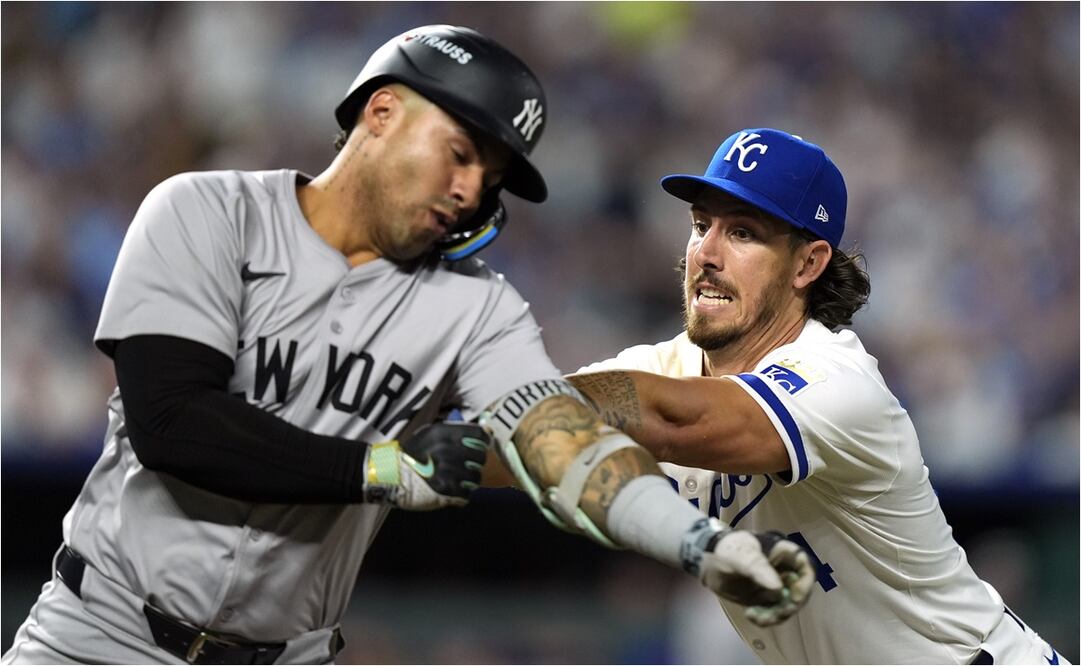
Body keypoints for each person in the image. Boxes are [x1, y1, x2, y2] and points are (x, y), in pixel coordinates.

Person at [2, 28, 815, 665]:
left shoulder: (476, 310)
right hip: (96, 635)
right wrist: (381, 469)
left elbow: (564, 447)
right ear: (380, 114)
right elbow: (173, 422)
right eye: (460, 153)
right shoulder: (205, 214)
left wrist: (700, 544)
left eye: (490, 177)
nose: (471, 190)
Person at [569, 128, 1069, 664]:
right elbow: (519, 435)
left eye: (742, 233)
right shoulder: (663, 367)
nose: (707, 252)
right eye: (700, 225)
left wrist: (532, 412)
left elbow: (675, 421)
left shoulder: (837, 379)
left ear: (808, 264)